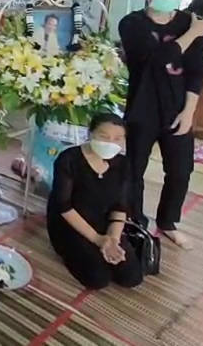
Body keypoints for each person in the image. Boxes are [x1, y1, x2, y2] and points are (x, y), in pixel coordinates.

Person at [119, 0, 203, 249]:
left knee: (181, 170)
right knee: (134, 169)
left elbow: (196, 71)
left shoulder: (188, 22)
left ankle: (168, 222)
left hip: (178, 108)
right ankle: (135, 221)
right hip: (143, 107)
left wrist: (189, 111)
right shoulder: (132, 24)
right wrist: (193, 33)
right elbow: (157, 59)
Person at [47, 113, 143, 290]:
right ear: (90, 134)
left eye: (118, 138)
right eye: (104, 136)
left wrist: (113, 239)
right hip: (71, 223)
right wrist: (98, 239)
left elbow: (120, 205)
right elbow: (63, 206)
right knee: (98, 279)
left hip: (103, 221)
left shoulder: (123, 164)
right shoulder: (69, 159)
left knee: (131, 277)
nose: (111, 142)